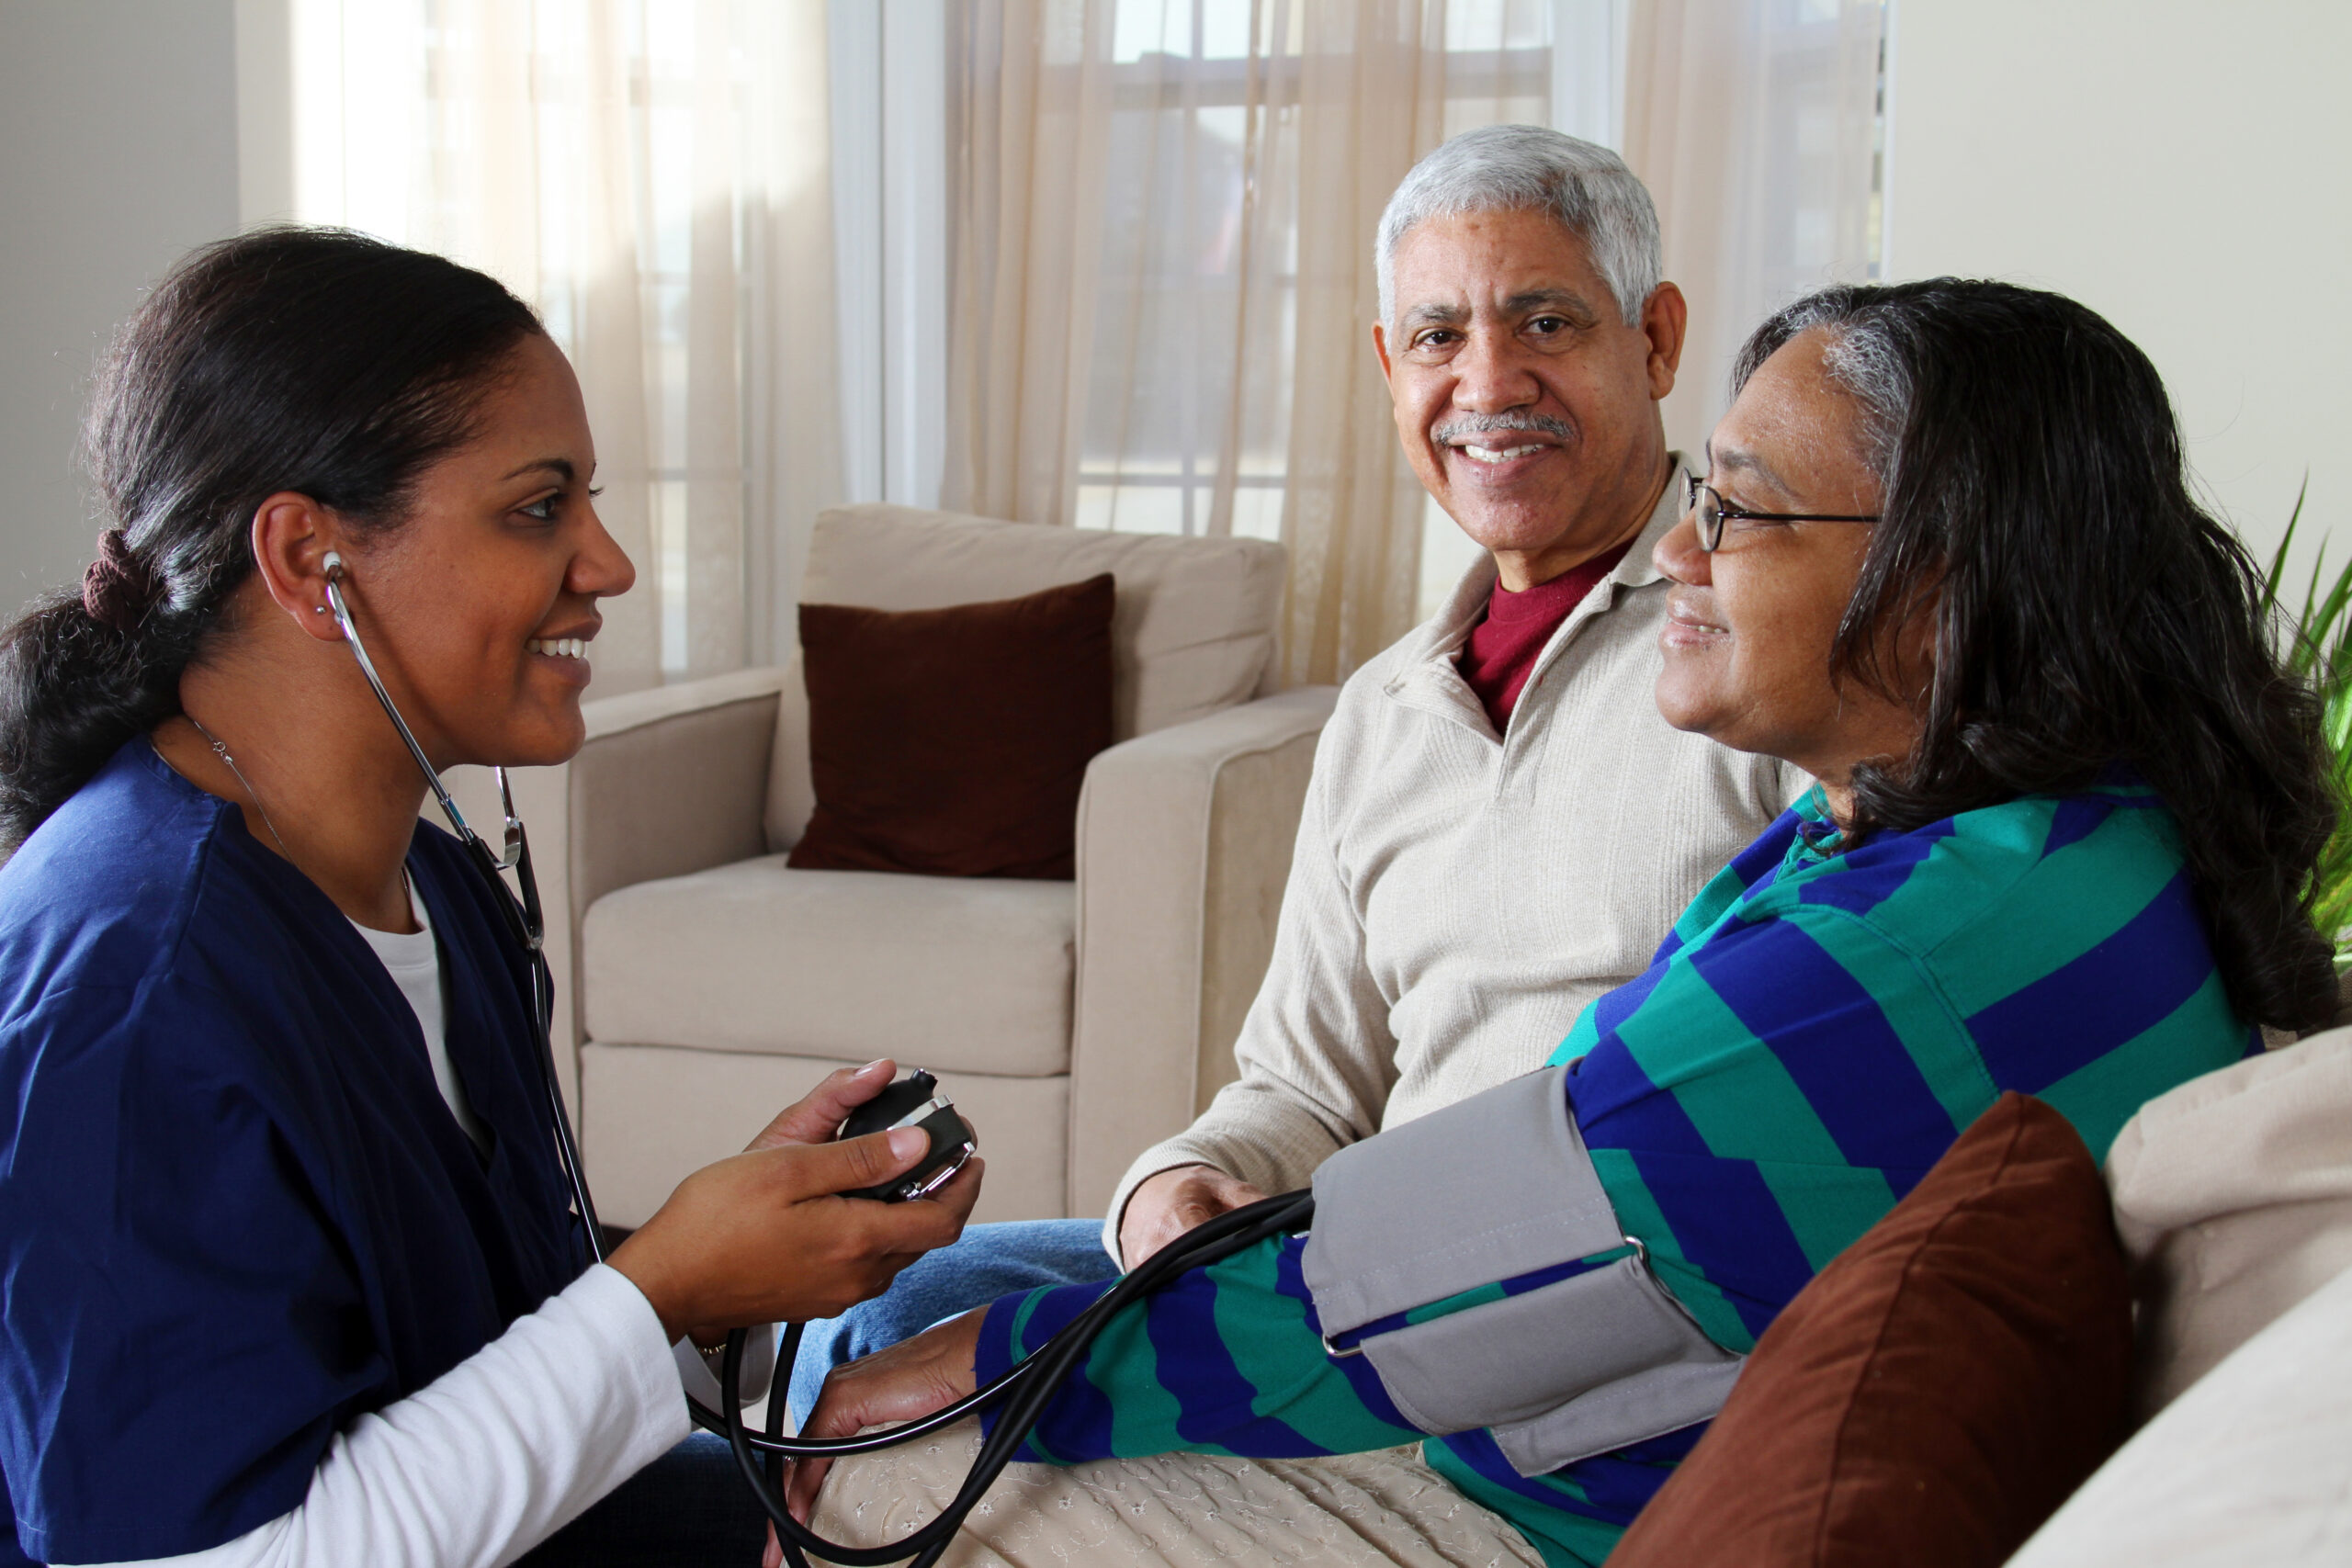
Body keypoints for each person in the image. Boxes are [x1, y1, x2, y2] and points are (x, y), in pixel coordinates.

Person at [782, 277, 2338, 1568]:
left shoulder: (1895, 952)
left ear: (1939, 585)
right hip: (1511, 1326)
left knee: (882, 1459)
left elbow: (1413, 1301)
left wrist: (981, 1383)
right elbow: (1339, 1116)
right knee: (942, 1309)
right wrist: (1182, 1192)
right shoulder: (2034, 832)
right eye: (1436, 334)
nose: (1682, 547)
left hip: (1545, 1486)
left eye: (1733, 510)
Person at [788, 123, 1806, 1422]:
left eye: (1546, 322)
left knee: (926, 1383)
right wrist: (1180, 1185)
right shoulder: (1385, 710)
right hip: (1352, 1262)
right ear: (1390, 368)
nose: (1489, 382)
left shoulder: (1755, 645)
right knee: (903, 1298)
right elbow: (1304, 1086)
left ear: (1655, 340)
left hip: (1577, 1301)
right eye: (1438, 337)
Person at [0, 229, 980, 1568]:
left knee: (1030, 1336)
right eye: (539, 508)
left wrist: (736, 1284)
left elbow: (480, 1355)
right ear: (307, 559)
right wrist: (664, 1290)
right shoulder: (132, 991)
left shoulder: (441, 888)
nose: (611, 565)